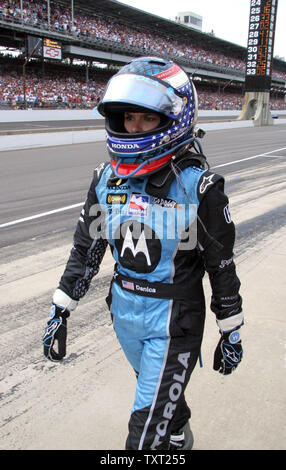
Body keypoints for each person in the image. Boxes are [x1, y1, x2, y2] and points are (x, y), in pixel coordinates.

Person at [43, 56, 243, 450]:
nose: (134, 127)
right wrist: (60, 308)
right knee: (160, 403)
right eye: (129, 117)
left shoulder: (199, 187)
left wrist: (231, 328)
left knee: (143, 436)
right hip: (124, 315)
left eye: (147, 119)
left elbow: (221, 265)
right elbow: (87, 248)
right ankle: (179, 432)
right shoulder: (105, 179)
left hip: (173, 323)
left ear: (173, 120)